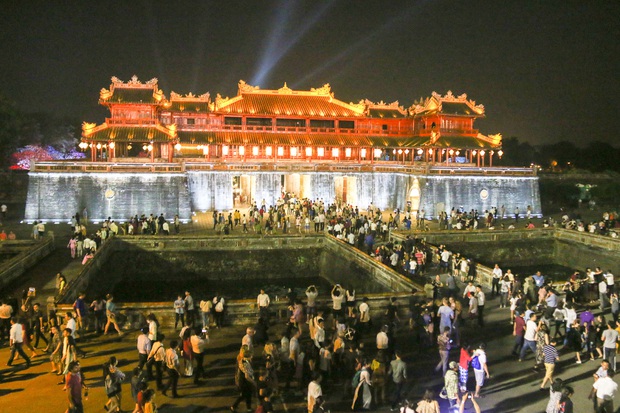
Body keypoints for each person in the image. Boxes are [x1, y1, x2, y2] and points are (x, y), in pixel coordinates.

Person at [232, 348, 256, 412]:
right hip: (245, 383)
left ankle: (248, 408)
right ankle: (234, 406)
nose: (252, 357)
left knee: (247, 395)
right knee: (244, 395)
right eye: (251, 356)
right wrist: (254, 382)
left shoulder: (245, 361)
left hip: (245, 382)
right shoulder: (245, 363)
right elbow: (247, 376)